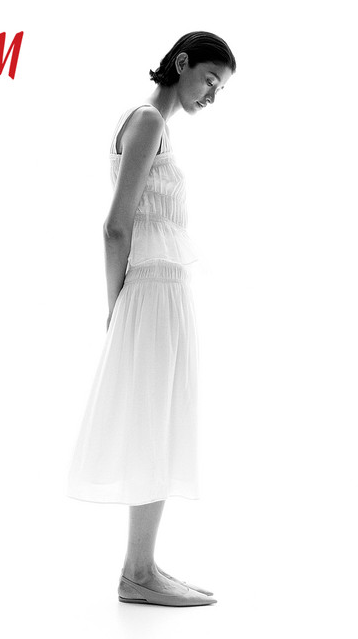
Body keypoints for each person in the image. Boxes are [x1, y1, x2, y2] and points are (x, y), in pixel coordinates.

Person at [65, 31, 235, 606]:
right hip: (151, 293)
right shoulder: (147, 121)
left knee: (158, 421)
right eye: (210, 79)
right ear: (181, 63)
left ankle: (142, 567)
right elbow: (115, 226)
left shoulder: (153, 126)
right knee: (154, 422)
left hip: (160, 292)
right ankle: (138, 573)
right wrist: (115, 305)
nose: (212, 94)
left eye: (220, 88)